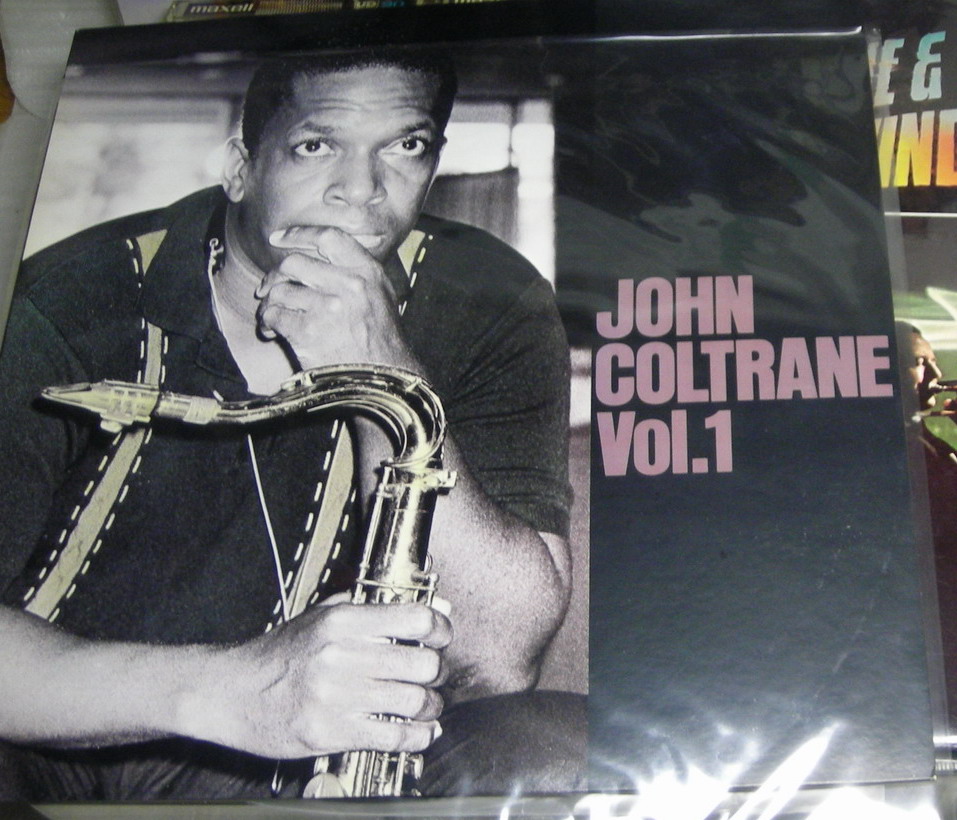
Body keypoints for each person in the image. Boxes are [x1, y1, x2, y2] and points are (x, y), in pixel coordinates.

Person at [0, 48, 582, 800]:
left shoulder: (491, 302)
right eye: (316, 146)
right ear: (242, 168)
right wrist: (238, 690)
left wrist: (380, 366)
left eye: (406, 146)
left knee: (563, 748)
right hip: (59, 736)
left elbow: (494, 660)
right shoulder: (65, 297)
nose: (360, 191)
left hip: (330, 759)